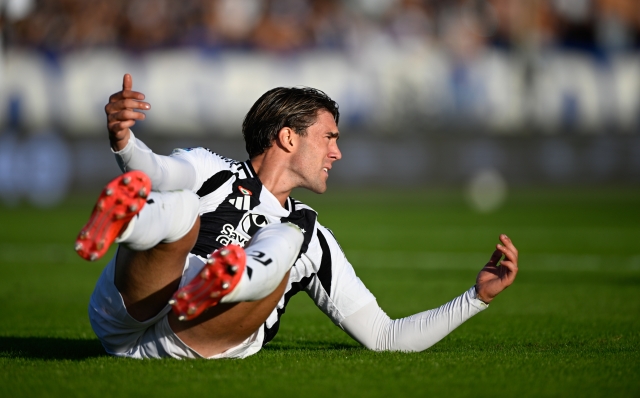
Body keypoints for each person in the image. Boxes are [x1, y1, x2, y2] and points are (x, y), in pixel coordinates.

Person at [77, 74, 519, 359]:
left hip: (191, 336)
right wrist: (123, 142)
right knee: (183, 205)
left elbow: (386, 336)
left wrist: (475, 298)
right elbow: (152, 170)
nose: (337, 152)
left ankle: (230, 279)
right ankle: (128, 221)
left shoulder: (314, 238)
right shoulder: (210, 170)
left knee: (292, 238)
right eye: (328, 137)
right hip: (130, 308)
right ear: (288, 137)